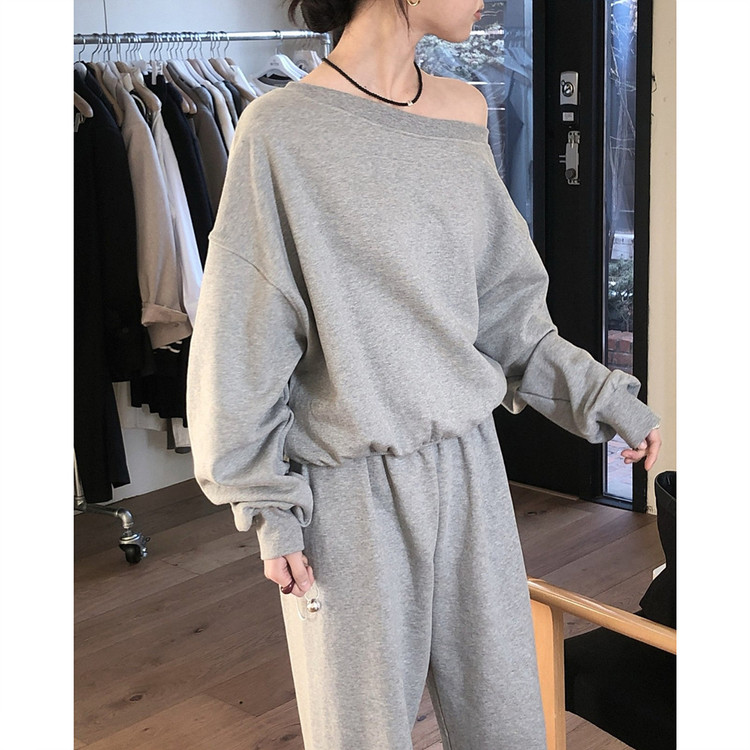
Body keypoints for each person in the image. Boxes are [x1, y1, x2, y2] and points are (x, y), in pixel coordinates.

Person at [185, 0, 663, 747]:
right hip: (349, 490)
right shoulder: (280, 131)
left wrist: (603, 397)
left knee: (506, 722)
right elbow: (242, 340)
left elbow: (505, 308)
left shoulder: (463, 113)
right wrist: (268, 506)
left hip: (471, 470)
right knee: (360, 734)